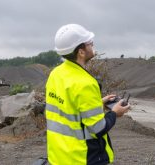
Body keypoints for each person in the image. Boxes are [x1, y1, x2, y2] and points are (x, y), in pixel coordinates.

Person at [46, 24, 130, 165]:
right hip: (82, 158)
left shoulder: (56, 74)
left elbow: (69, 108)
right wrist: (115, 113)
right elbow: (98, 128)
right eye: (90, 43)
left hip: (58, 156)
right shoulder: (85, 83)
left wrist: (98, 104)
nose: (92, 45)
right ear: (81, 52)